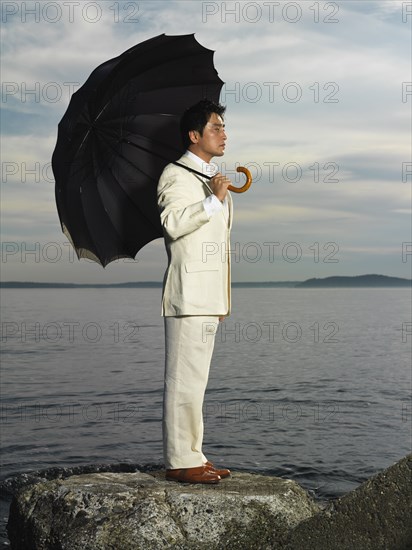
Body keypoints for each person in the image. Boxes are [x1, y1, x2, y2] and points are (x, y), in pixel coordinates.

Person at [157, 99, 233, 484]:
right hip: (186, 296)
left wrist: (220, 298)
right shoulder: (175, 175)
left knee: (197, 383)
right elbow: (172, 224)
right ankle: (179, 461)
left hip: (207, 299)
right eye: (216, 127)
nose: (224, 134)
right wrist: (212, 200)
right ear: (194, 135)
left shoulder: (211, 178)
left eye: (223, 127)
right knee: (183, 381)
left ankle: (194, 456)